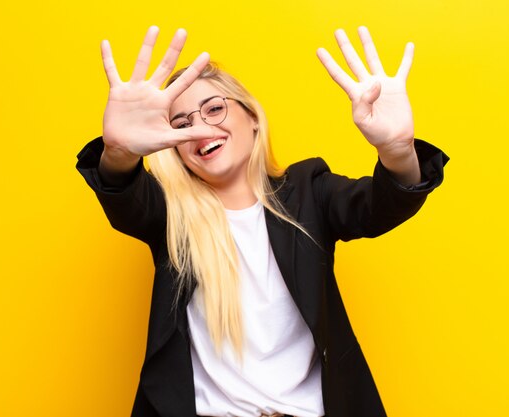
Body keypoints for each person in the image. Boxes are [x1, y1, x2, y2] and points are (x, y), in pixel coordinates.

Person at [76, 26, 448, 417]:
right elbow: (124, 195)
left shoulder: (309, 191)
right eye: (181, 125)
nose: (200, 128)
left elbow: (381, 206)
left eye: (214, 108)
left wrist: (397, 150)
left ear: (252, 117)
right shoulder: (169, 211)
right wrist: (118, 153)